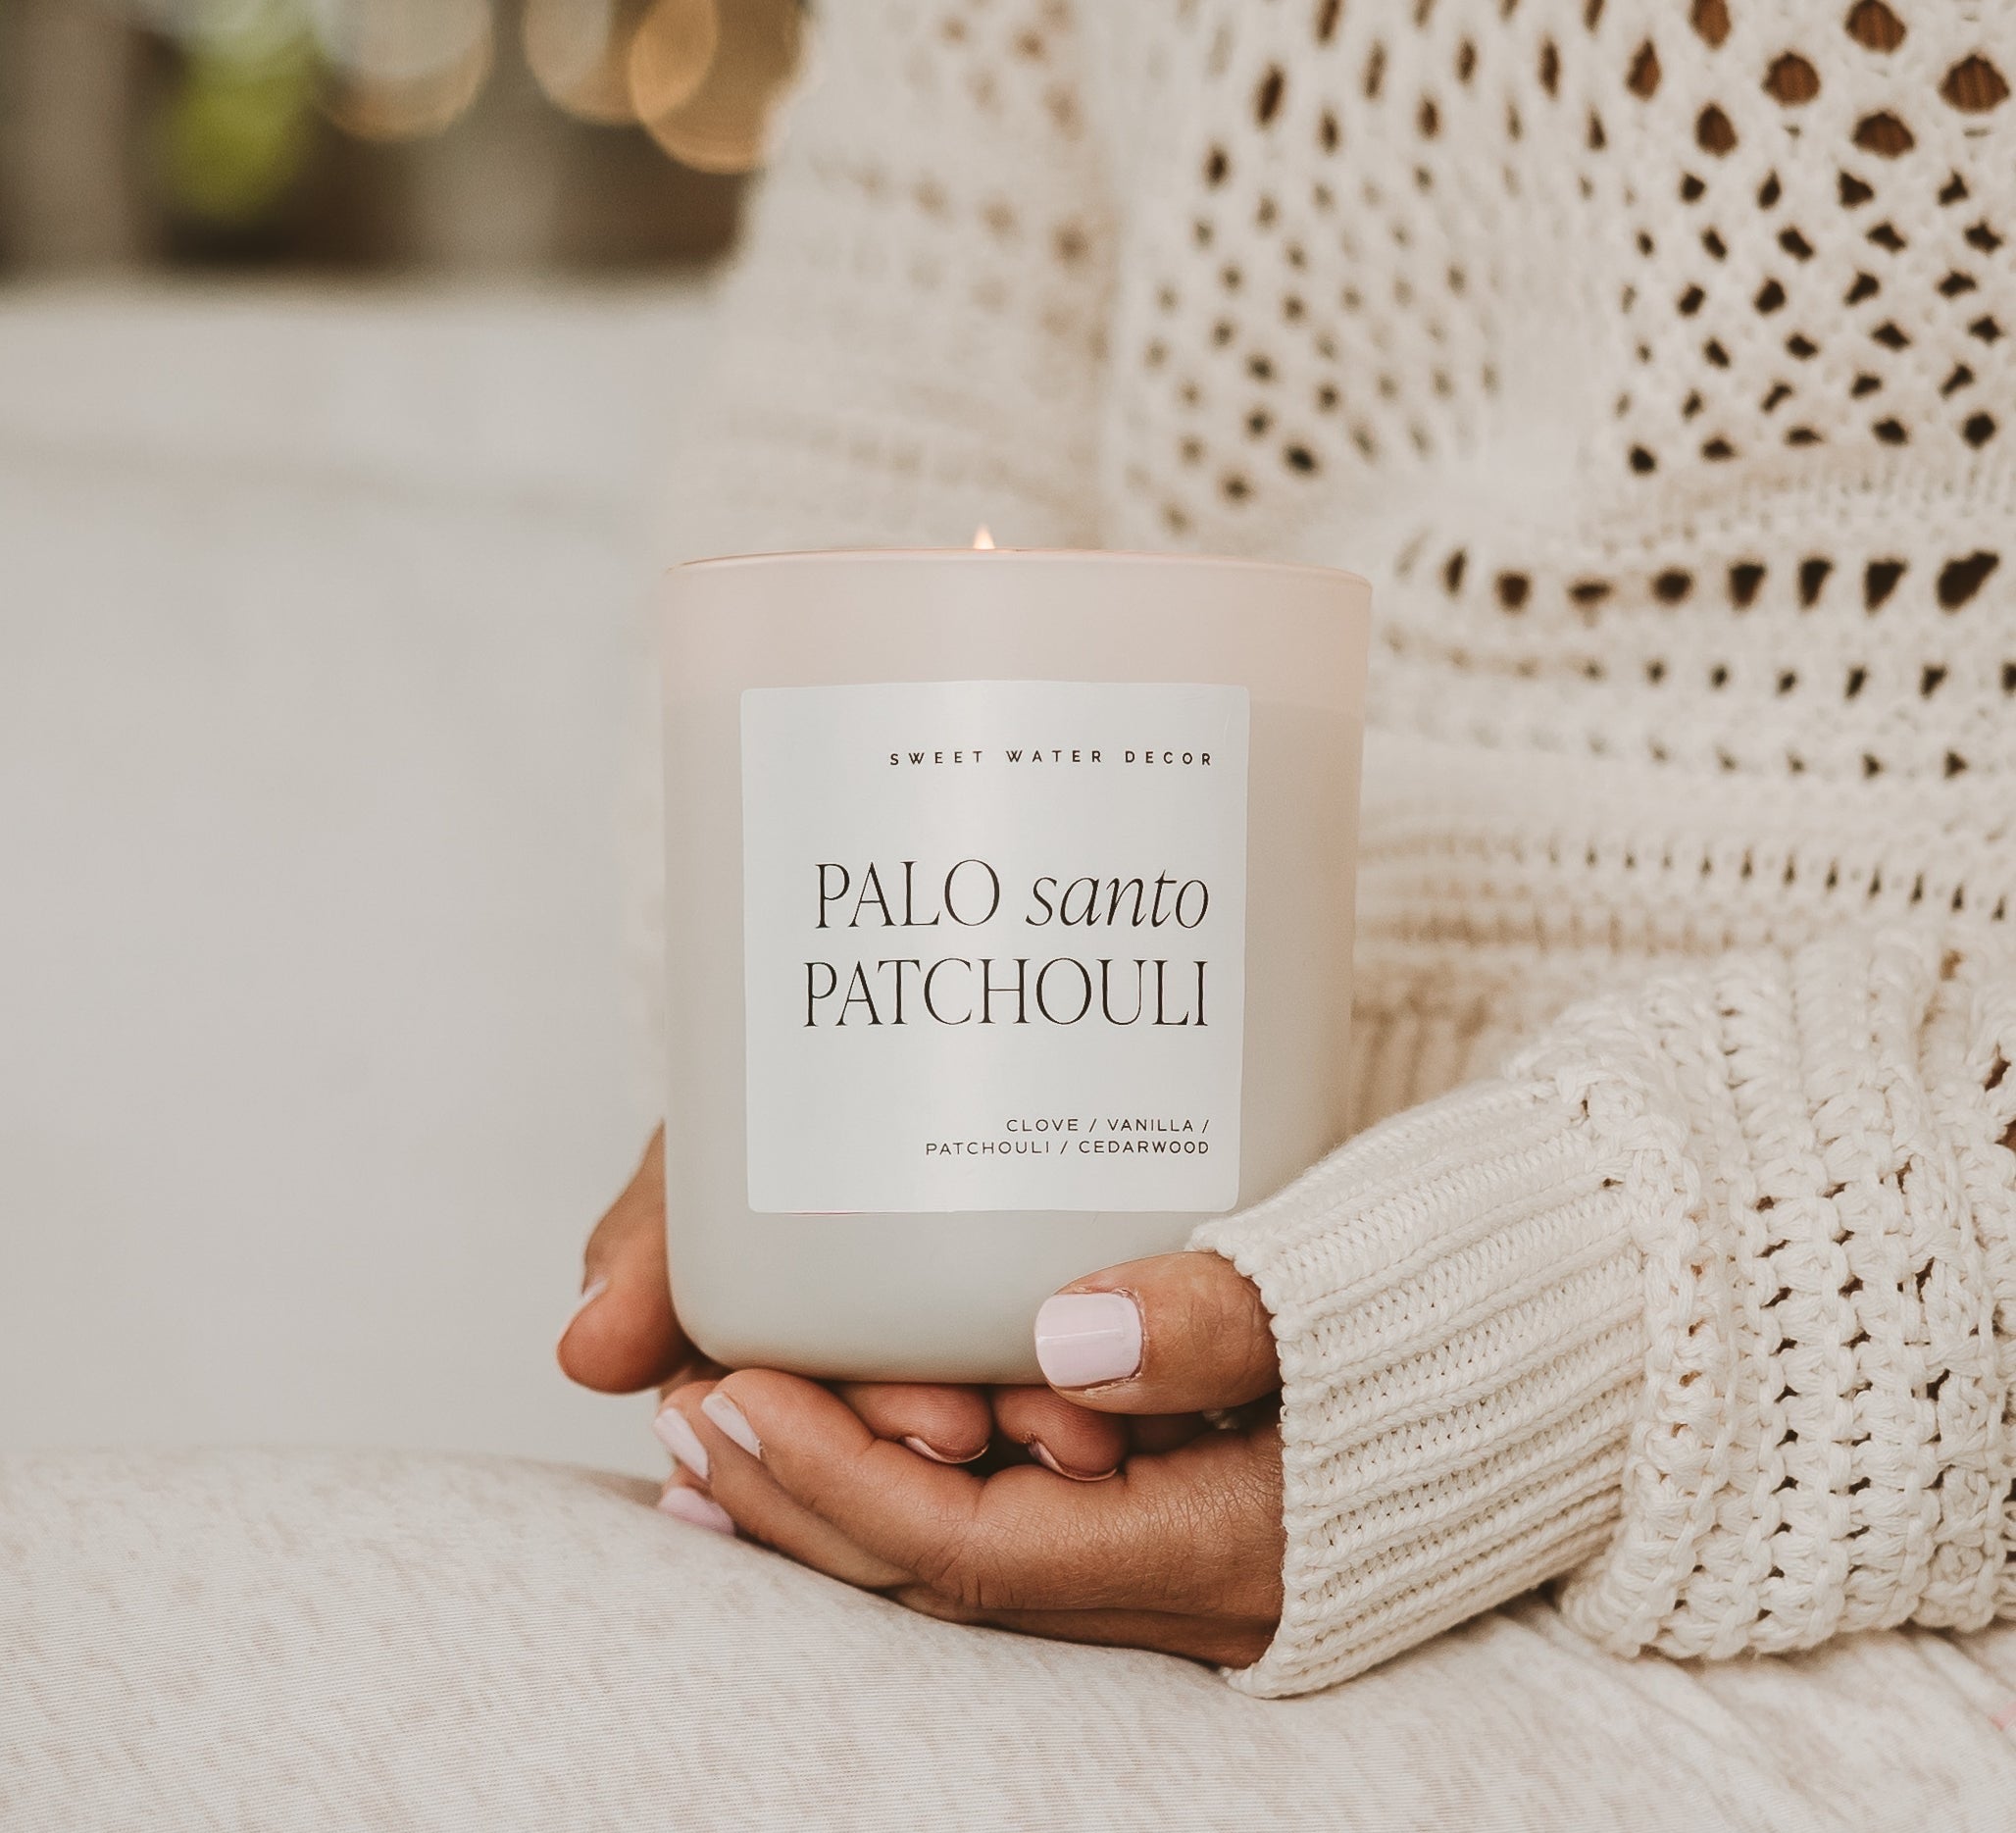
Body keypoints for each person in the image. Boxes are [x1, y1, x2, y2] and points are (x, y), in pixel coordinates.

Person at [560, 0, 2015, 1698]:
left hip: (1864, 1527)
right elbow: (848, 497)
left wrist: (1639, 1320)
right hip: (1124, 1404)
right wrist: (872, 1155)